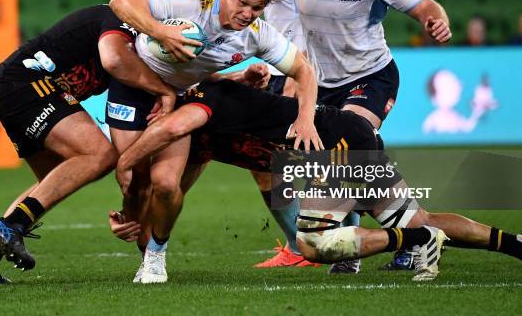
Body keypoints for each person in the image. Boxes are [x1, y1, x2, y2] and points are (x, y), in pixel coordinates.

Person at [111, 78, 522, 282]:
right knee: (418, 217)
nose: (153, 114)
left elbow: (167, 131)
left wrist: (124, 161)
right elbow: (174, 192)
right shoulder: (198, 140)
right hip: (350, 138)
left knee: (313, 243)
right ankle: (514, 245)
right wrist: (140, 225)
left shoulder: (202, 102)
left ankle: (416, 242)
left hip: (336, 144)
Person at [107, 0, 321, 283]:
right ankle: (132, 222)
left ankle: (155, 259)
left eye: (257, 7)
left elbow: (304, 71)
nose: (248, 13)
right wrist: (162, 32)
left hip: (180, 97)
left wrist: (305, 118)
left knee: (165, 184)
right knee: (135, 183)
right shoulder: (192, 0)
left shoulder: (257, 35)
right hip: (134, 86)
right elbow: (120, 1)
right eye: (242, 2)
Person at [273, 0, 452, 272]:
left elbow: (424, 6)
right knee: (337, 163)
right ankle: (395, 237)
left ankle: (405, 241)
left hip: (370, 77)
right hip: (321, 83)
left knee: (350, 152)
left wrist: (438, 21)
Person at [0, 5, 177, 285]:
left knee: (53, 183)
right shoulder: (119, 23)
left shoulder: (138, 50)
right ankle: (12, 225)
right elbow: (113, 60)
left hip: (12, 89)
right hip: (27, 85)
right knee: (101, 155)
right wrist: (164, 91)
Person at [163, 0, 315, 268]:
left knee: (311, 158)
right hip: (275, 68)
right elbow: (238, 0)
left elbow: (315, 19)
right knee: (267, 162)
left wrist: (298, 78)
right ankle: (302, 247)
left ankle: (376, 236)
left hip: (299, 68)